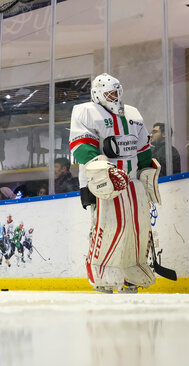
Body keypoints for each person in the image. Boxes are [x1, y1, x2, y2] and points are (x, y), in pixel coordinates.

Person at [69, 73, 162, 293]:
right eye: (110, 93)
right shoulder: (85, 112)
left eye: (117, 92)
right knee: (110, 226)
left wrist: (146, 172)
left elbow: (142, 149)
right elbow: (81, 147)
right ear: (97, 93)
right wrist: (105, 171)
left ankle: (133, 272)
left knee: (138, 228)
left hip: (132, 182)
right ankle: (103, 273)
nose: (114, 97)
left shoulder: (133, 114)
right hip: (104, 183)